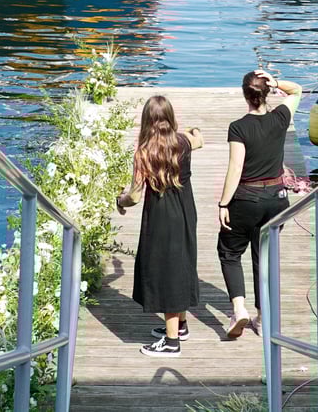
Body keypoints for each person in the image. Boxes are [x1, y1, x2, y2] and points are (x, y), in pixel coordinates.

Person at [116, 95, 204, 357]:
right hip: (186, 211)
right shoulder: (183, 142)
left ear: (146, 121)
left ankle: (171, 342)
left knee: (166, 272)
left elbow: (134, 196)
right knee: (181, 263)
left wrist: (120, 200)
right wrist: (192, 130)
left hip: (161, 217)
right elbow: (199, 139)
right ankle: (181, 325)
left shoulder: (144, 153)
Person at [217, 70, 302, 338]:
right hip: (276, 199)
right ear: (267, 93)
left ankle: (239, 310)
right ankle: (264, 319)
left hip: (246, 198)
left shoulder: (238, 127)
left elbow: (235, 168)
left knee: (230, 252)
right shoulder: (280, 118)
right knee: (263, 256)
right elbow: (297, 90)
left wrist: (223, 204)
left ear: (245, 95)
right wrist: (275, 82)